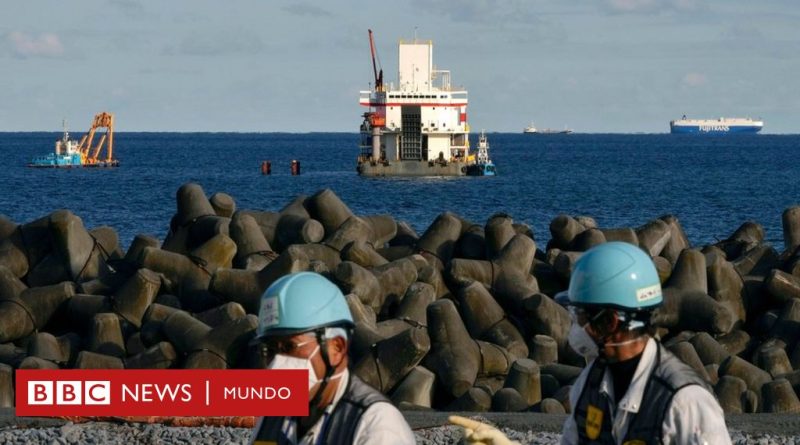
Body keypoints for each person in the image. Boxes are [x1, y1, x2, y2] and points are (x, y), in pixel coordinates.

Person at [451, 242, 731, 445]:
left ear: (608, 321)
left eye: (580, 314)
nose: (574, 324)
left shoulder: (684, 402)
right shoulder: (591, 383)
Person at [250, 271, 415, 445]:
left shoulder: (374, 424)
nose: (277, 363)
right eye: (269, 350)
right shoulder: (271, 417)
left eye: (290, 347)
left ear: (337, 348)